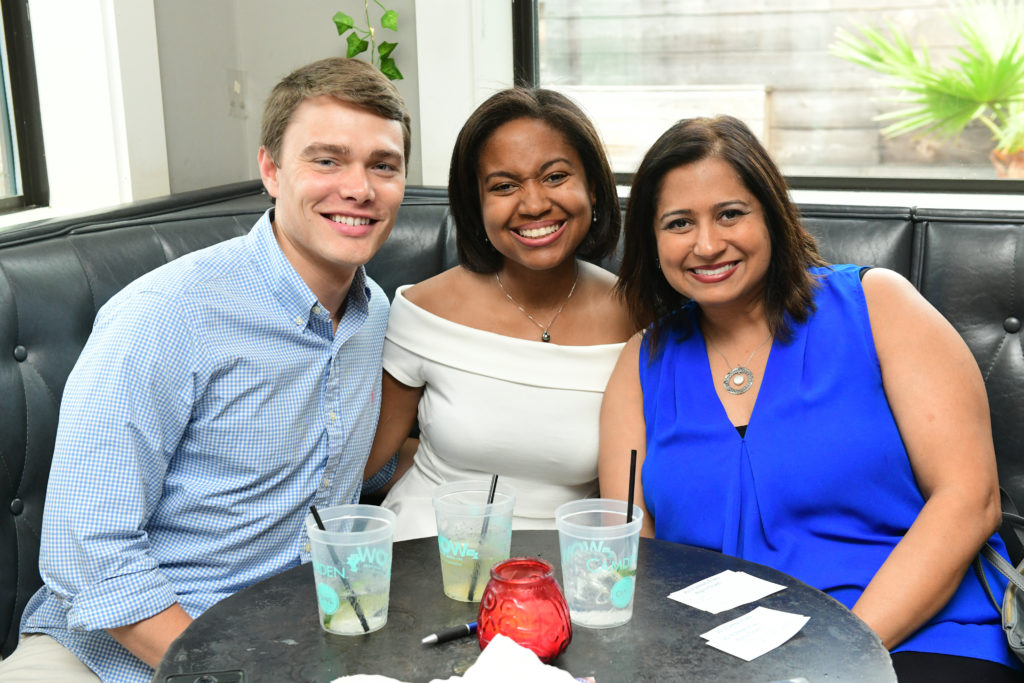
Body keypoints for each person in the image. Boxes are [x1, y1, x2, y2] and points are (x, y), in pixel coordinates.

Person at [0, 57, 410, 683]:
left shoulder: (371, 314)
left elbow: (347, 468)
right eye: (327, 160)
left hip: (284, 643)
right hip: (108, 657)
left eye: (383, 165)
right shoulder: (166, 316)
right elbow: (89, 553)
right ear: (270, 170)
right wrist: (224, 670)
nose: (360, 188)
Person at [599, 115, 1020, 680]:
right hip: (722, 656)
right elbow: (630, 553)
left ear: (772, 215)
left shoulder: (877, 305)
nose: (707, 244)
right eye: (679, 223)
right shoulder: (641, 362)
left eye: (730, 214)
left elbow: (969, 500)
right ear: (652, 242)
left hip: (923, 635)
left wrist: (837, 657)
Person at [362, 88, 634, 541]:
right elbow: (361, 463)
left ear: (593, 187)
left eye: (556, 176)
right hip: (427, 550)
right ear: (477, 204)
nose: (534, 204)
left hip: (567, 562)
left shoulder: (638, 318)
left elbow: (640, 491)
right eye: (504, 186)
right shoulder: (422, 310)